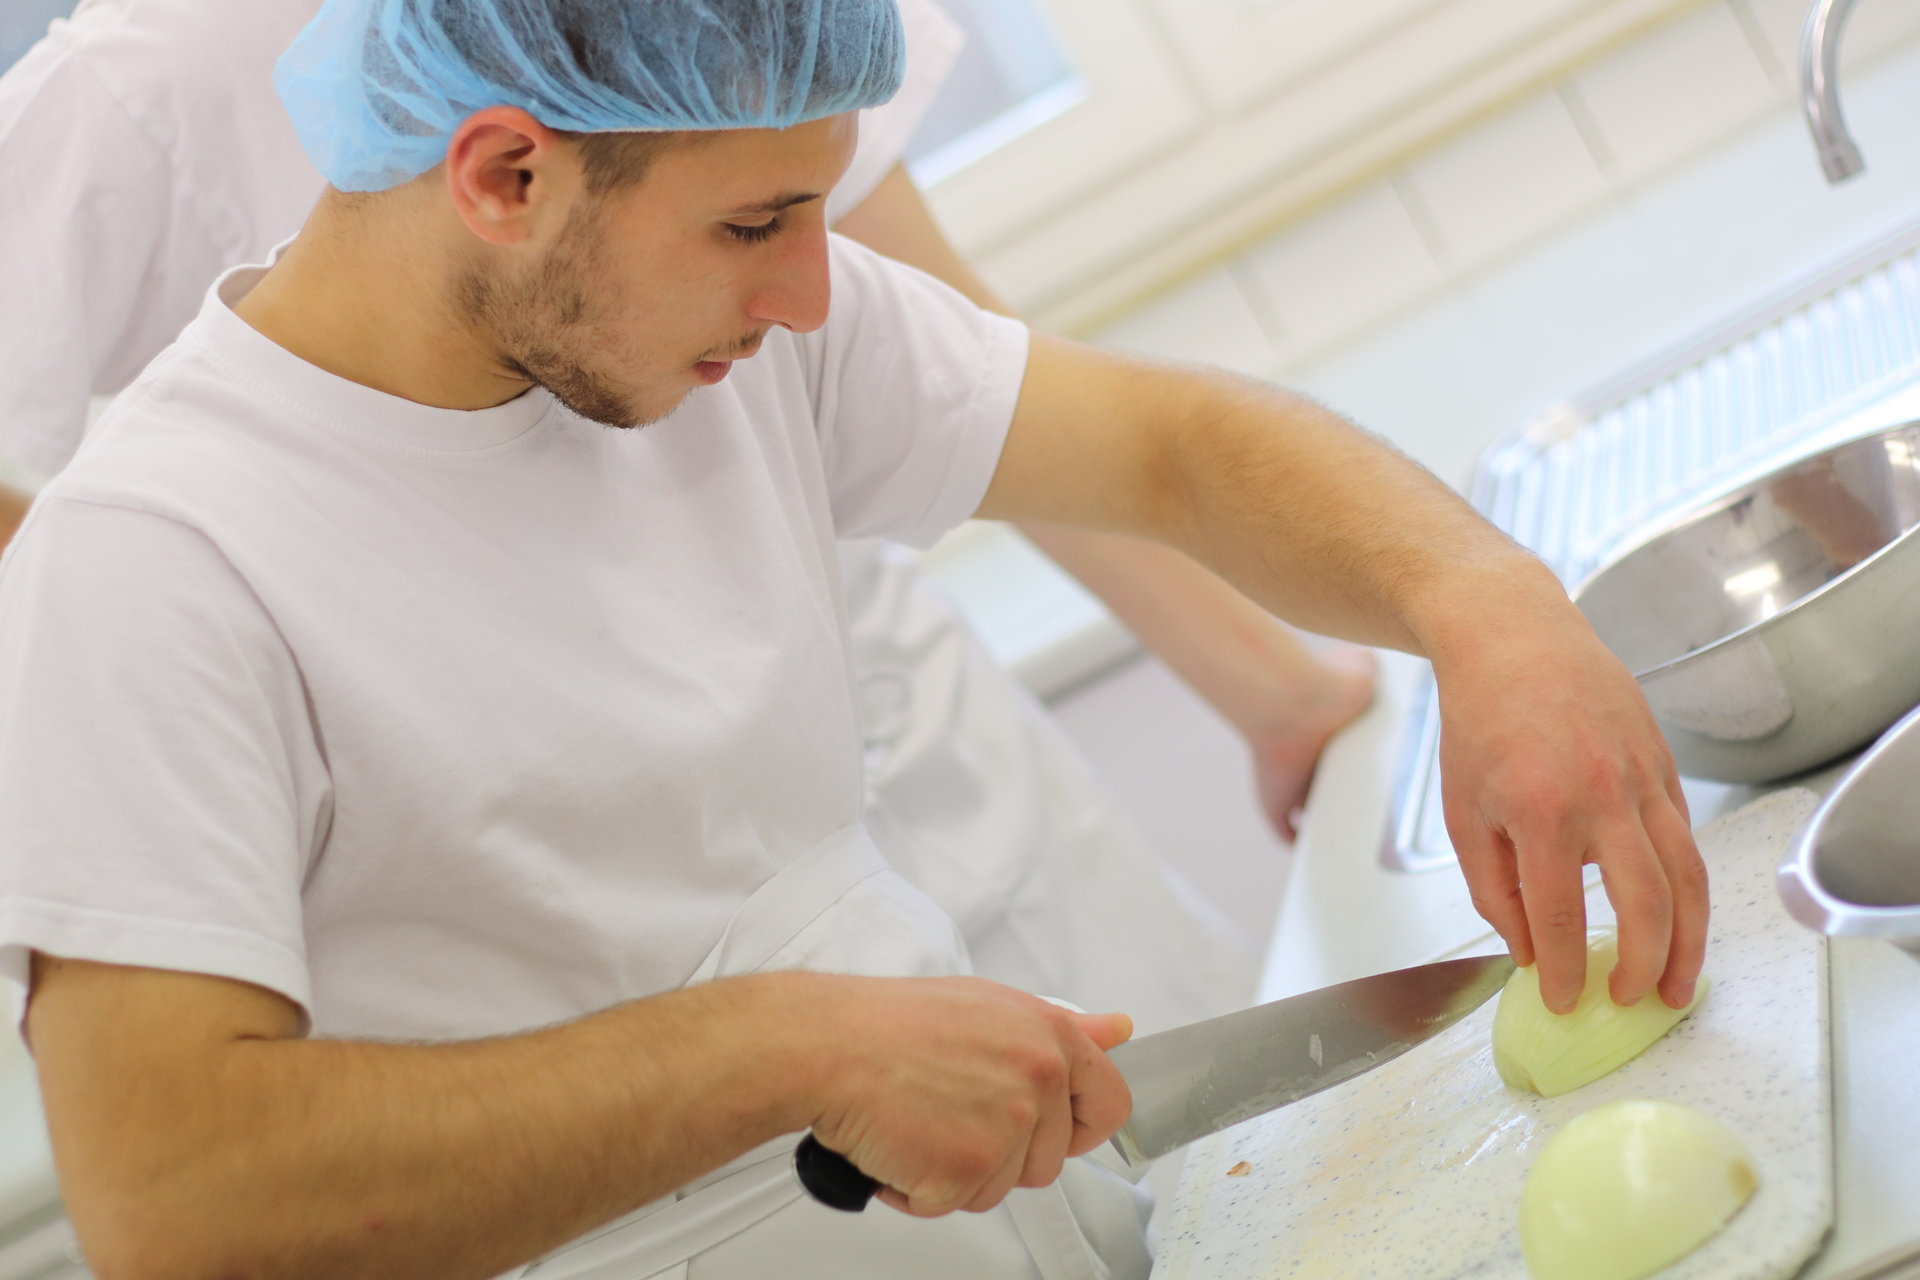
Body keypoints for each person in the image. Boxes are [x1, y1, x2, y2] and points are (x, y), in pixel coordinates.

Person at [0, 2, 1706, 1278]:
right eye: (755, 226)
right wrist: (794, 1047)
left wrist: (1482, 603)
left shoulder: (728, 346)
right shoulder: (153, 567)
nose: (812, 292)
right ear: (506, 174)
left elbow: (1171, 448)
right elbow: (178, 1200)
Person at [0, 0, 1373, 1044]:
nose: (795, 290)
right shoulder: (141, 84)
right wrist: (227, 685)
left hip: (876, 751)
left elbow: (993, 372)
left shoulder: (729, 42)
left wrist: (1278, 692)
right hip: (526, 926)